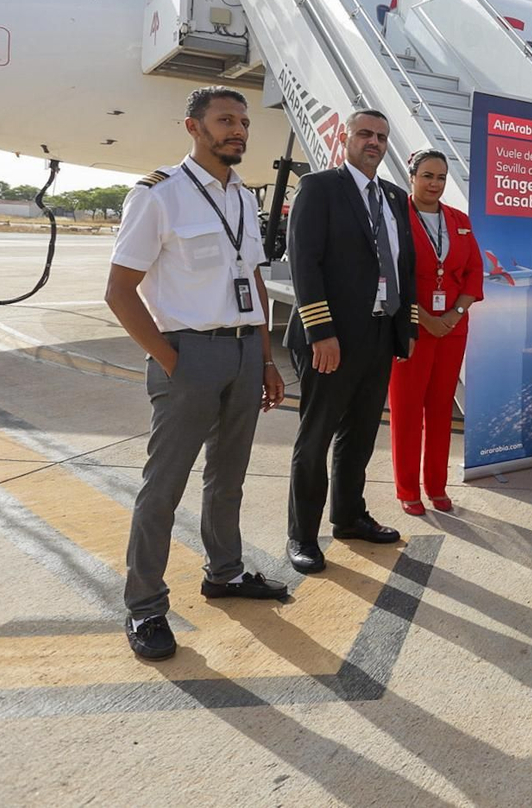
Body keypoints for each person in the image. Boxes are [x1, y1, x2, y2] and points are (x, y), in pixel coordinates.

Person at [105, 85, 288, 660]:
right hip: (189, 354)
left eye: (243, 121)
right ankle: (145, 608)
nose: (238, 130)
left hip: (240, 352)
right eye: (224, 120)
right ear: (193, 127)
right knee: (163, 488)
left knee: (227, 478)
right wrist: (171, 359)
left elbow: (252, 279)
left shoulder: (240, 196)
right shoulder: (159, 194)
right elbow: (119, 291)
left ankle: (225, 573)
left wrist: (265, 357)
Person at [285, 109, 416, 574]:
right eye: (364, 133)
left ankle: (348, 516)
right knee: (315, 437)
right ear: (345, 138)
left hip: (379, 334)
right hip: (332, 338)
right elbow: (304, 262)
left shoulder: (395, 197)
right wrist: (321, 332)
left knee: (359, 436)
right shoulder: (320, 187)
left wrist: (408, 329)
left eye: (381, 136)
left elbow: (407, 267)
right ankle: (302, 535)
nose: (374, 142)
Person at [387, 149, 483, 516]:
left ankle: (436, 485)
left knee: (441, 409)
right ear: (411, 176)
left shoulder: (459, 221)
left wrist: (455, 313)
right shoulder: (396, 219)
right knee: (408, 410)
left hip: (452, 330)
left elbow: (473, 272)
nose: (435, 184)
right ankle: (408, 488)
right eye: (427, 176)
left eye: (441, 177)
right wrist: (425, 318)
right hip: (411, 327)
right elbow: (393, 277)